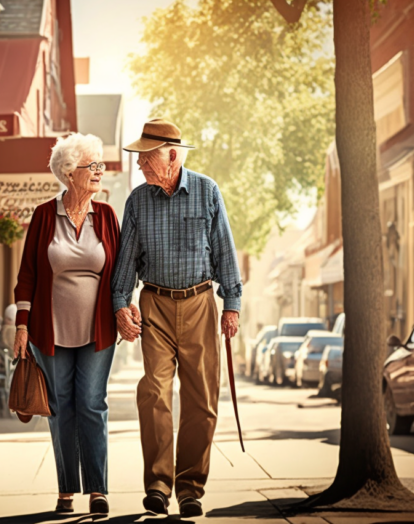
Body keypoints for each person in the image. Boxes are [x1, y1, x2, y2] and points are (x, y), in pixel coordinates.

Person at [111, 119, 242, 519]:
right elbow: (126, 261)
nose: (139, 166)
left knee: (202, 399)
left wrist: (232, 303)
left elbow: (224, 250)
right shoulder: (137, 201)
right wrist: (120, 303)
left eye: (145, 158)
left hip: (201, 302)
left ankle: (190, 488)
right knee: (153, 392)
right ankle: (157, 483)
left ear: (171, 154)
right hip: (154, 305)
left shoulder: (206, 191)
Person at [13, 133, 138, 516]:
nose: (100, 171)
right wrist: (21, 325)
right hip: (50, 331)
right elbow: (28, 275)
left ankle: (98, 489)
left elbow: (120, 272)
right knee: (61, 405)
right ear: (70, 173)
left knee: (91, 403)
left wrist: (124, 308)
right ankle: (67, 488)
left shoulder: (107, 216)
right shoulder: (44, 215)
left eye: (101, 164)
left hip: (97, 330)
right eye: (93, 166)